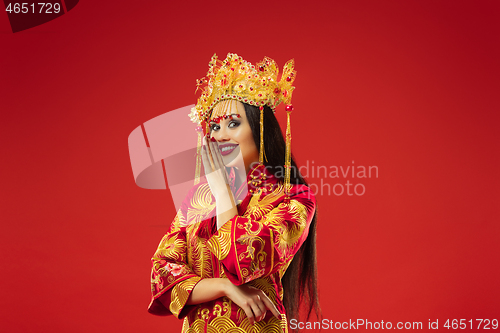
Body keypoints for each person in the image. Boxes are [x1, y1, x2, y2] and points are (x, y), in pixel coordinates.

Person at [148, 53, 320, 333]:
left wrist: (223, 194)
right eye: (214, 127)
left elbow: (247, 259)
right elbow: (162, 271)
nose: (220, 135)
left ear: (260, 128)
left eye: (233, 123)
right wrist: (224, 287)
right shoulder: (199, 199)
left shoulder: (292, 198)